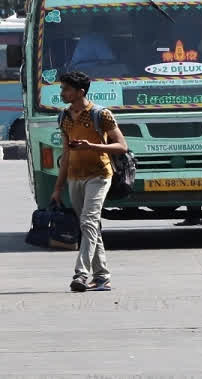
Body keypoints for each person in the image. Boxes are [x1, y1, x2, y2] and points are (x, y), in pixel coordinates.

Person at [49, 71, 127, 292]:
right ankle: (102, 278)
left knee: (89, 222)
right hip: (75, 176)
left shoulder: (101, 115)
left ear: (80, 92)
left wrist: (91, 146)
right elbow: (65, 155)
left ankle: (81, 274)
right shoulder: (63, 117)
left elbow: (122, 146)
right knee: (89, 226)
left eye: (66, 89)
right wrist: (57, 188)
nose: (62, 93)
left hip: (99, 175)